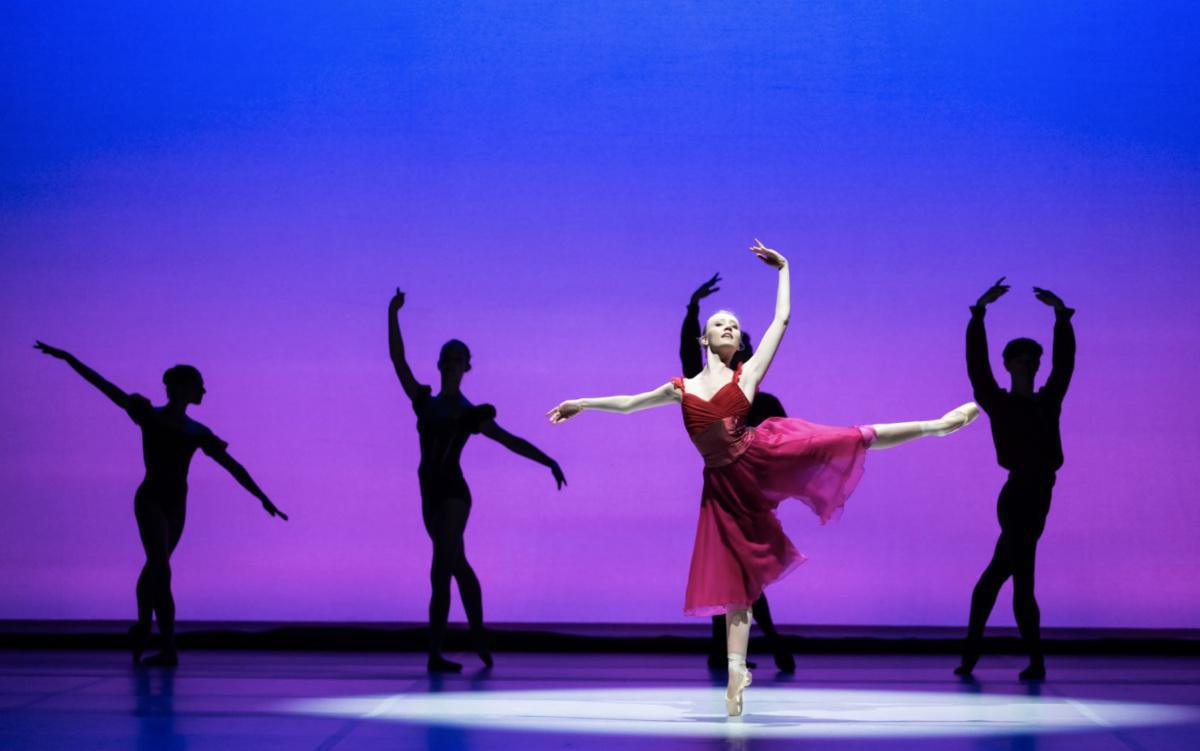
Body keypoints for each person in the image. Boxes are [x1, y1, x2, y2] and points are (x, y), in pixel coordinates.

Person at [548, 241, 978, 715]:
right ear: (704, 340)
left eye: (734, 323)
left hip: (761, 454)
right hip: (722, 490)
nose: (729, 326)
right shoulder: (681, 387)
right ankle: (736, 676)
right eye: (719, 323)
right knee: (737, 585)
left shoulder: (747, 376)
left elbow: (782, 322)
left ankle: (936, 425)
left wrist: (785, 269)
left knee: (844, 437)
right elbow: (630, 402)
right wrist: (582, 403)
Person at [33, 342, 287, 666]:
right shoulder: (148, 415)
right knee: (160, 567)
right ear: (181, 387)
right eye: (199, 384)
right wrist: (69, 358)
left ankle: (143, 627)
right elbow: (104, 387)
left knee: (156, 567)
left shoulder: (197, 431)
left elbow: (233, 466)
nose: (205, 391)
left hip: (177, 505)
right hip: (151, 498)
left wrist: (262, 497)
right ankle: (167, 646)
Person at [388, 288, 566, 673]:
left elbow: (508, 440)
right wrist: (393, 313)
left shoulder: (469, 413)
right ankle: (478, 634)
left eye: (459, 360)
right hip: (430, 495)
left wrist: (547, 460)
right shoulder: (425, 402)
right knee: (458, 566)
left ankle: (435, 653)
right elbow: (398, 360)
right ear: (440, 364)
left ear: (467, 367)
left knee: (440, 568)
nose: (452, 364)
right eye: (448, 359)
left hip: (454, 495)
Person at [955, 277, 1076, 681]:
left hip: (1039, 492)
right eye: (1020, 359)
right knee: (1014, 577)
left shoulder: (1049, 400)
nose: (1027, 363)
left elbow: (1064, 366)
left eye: (1031, 359)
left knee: (1011, 577)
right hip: (1017, 494)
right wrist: (978, 314)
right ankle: (1020, 660)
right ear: (1008, 364)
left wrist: (1061, 319)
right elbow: (977, 366)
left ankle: (989, 658)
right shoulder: (997, 402)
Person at [680, 273, 794, 673]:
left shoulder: (764, 398)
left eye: (738, 335)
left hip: (752, 496)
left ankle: (757, 649)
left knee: (742, 575)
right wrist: (692, 310)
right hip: (723, 489)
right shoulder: (704, 384)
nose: (731, 337)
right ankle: (746, 650)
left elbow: (783, 448)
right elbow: (689, 363)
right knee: (730, 571)